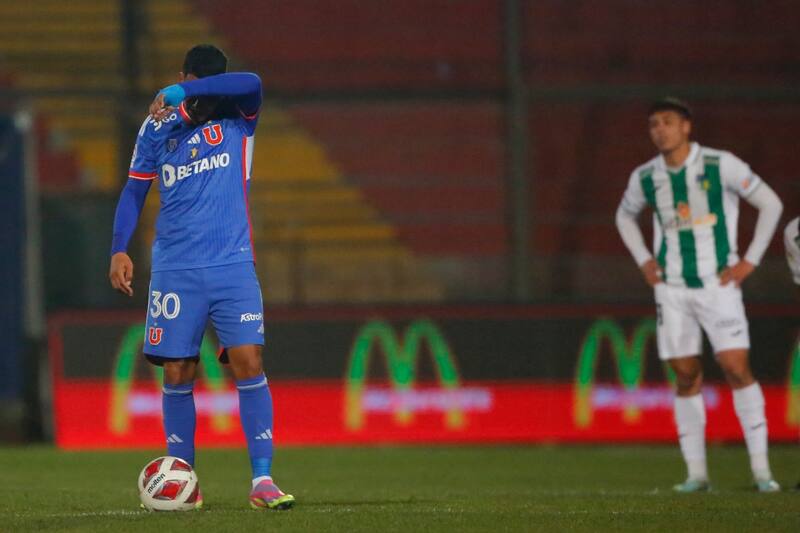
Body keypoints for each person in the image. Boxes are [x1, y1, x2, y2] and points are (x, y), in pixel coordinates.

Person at [108, 44, 294, 510]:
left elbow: (251, 81)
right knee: (177, 370)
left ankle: (263, 480)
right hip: (175, 268)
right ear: (185, 75)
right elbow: (134, 190)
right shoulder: (157, 126)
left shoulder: (239, 114)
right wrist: (118, 248)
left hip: (233, 263)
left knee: (249, 360)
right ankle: (183, 482)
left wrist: (178, 90)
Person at [615, 97, 783, 492]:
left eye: (668, 122)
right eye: (654, 124)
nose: (660, 130)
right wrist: (644, 260)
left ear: (686, 126)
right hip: (672, 289)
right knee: (686, 374)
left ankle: (761, 471)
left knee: (736, 367)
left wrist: (750, 261)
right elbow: (623, 215)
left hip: (717, 285)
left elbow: (771, 204)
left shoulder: (720, 164)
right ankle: (697, 474)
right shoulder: (646, 176)